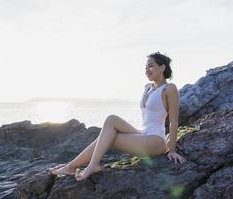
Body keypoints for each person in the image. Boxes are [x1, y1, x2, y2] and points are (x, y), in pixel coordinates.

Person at [49, 51, 187, 181]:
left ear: (162, 67)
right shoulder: (148, 87)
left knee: (110, 138)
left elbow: (173, 122)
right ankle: (72, 166)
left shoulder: (169, 89)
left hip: (156, 141)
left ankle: (85, 166)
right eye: (145, 67)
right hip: (144, 133)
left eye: (151, 66)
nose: (147, 70)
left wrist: (172, 150)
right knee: (111, 120)